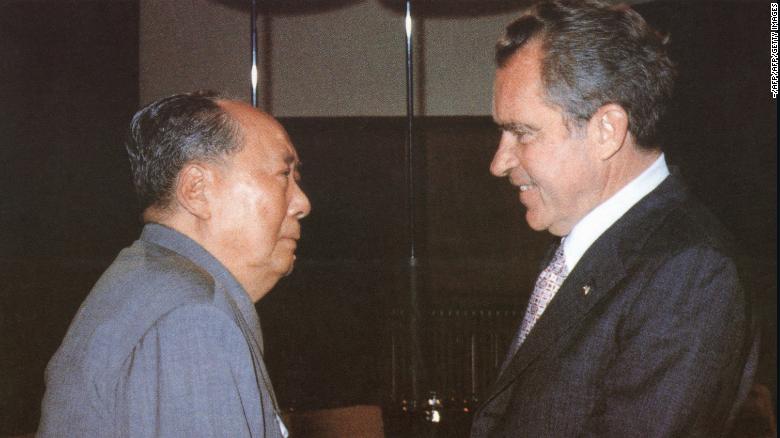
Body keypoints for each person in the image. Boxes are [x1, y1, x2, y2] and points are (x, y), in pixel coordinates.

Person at [471, 1, 757, 436]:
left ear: (607, 130)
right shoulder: (591, 242)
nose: (498, 162)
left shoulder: (690, 273)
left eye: (523, 133)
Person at [38, 91, 310, 437]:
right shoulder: (191, 318)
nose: (302, 203)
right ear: (197, 189)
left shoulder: (153, 286)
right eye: (283, 175)